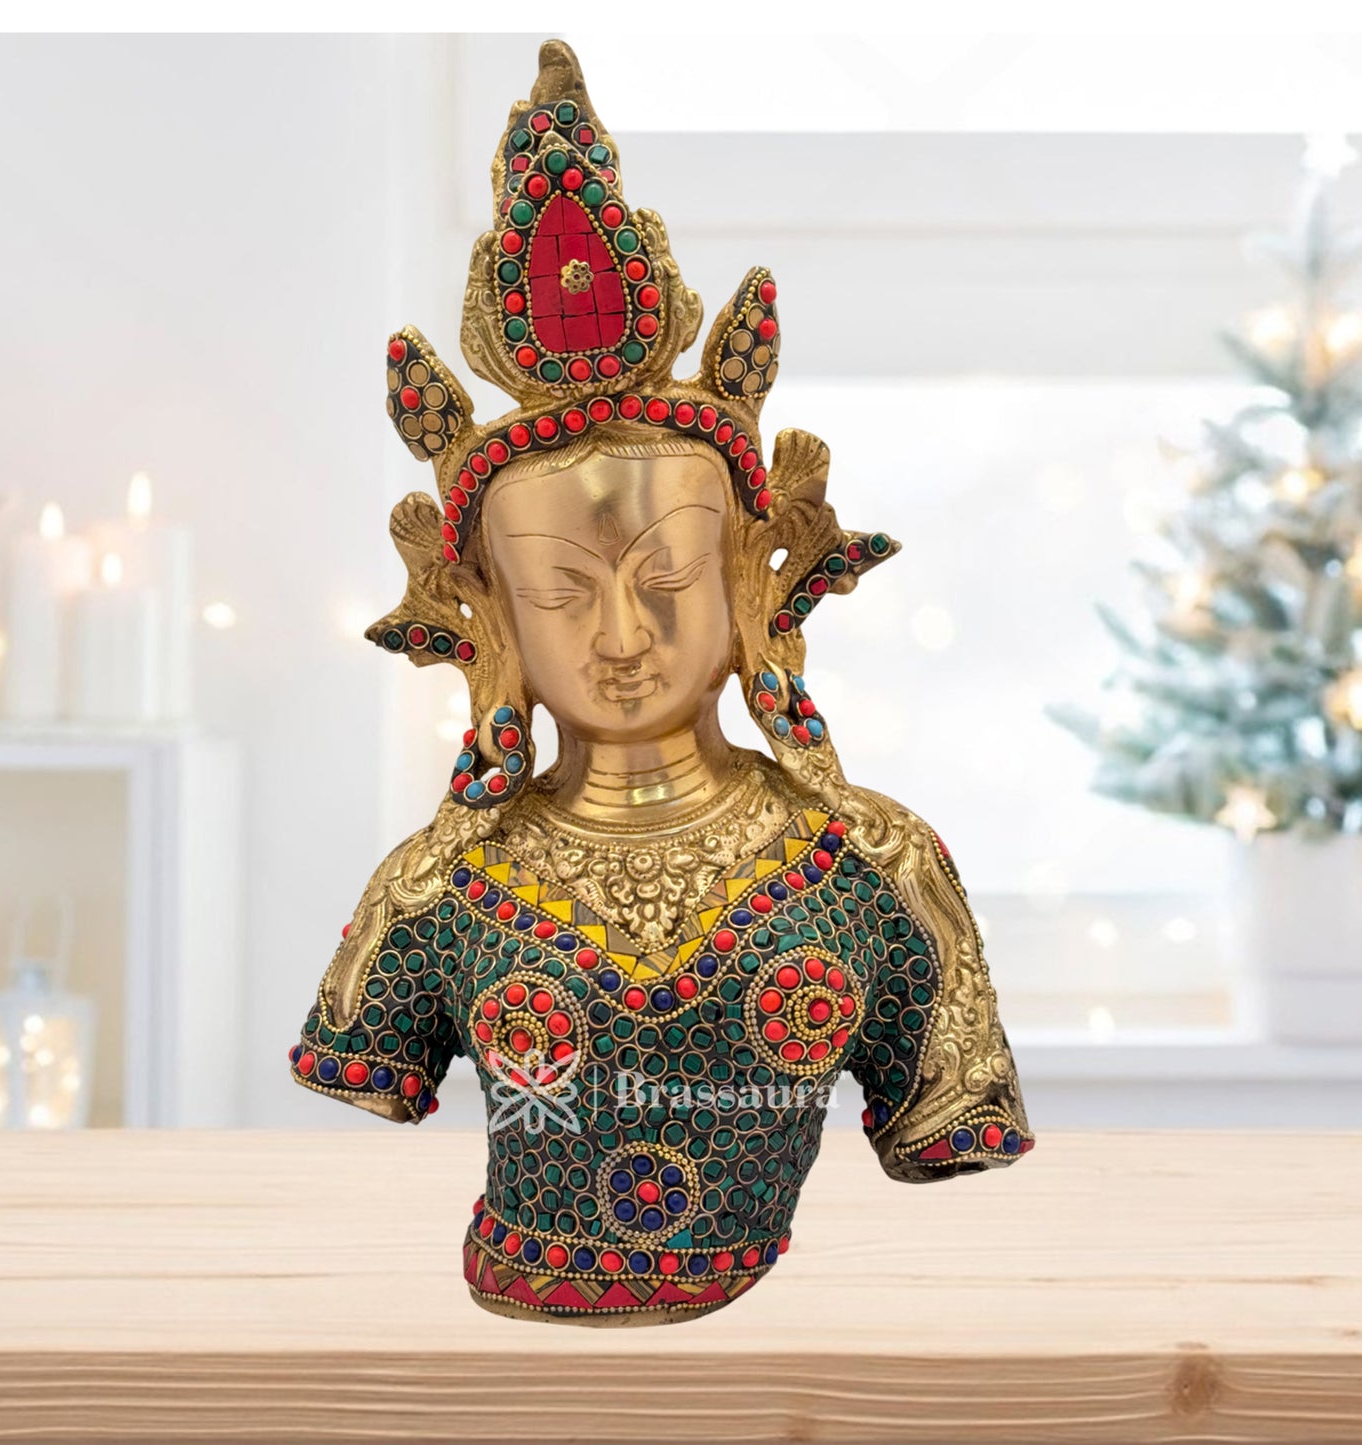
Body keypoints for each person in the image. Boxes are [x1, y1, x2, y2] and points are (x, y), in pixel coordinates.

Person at [290, 39, 1033, 1326]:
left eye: (666, 576)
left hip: (799, 1349)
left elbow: (946, 1120)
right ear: (492, 615)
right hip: (501, 1332)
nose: (622, 634)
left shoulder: (875, 868)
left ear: (748, 580)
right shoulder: (439, 883)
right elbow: (366, 1067)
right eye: (563, 591)